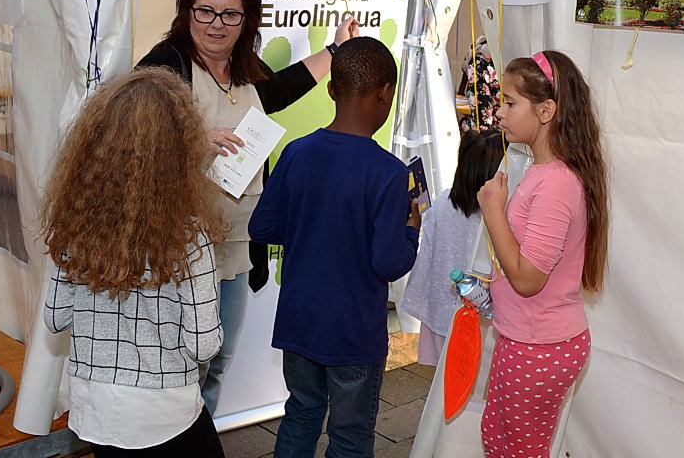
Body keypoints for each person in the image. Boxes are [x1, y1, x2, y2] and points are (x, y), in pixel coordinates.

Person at [136, 0, 359, 415]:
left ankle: (201, 436)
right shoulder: (168, 64)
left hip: (238, 244)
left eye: (230, 14)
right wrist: (193, 139)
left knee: (218, 358)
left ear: (246, 20)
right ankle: (172, 437)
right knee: (181, 361)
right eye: (206, 11)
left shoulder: (243, 69)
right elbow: (130, 132)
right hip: (184, 247)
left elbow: (281, 89)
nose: (217, 24)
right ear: (187, 12)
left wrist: (336, 50)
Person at [40, 69, 229, 457]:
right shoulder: (189, 237)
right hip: (164, 411)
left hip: (96, 410)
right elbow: (203, 344)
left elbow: (55, 318)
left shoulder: (75, 225)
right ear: (181, 148)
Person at [248, 36, 421, 457]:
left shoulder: (296, 152)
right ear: (386, 94)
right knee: (350, 435)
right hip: (353, 332)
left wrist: (311, 225)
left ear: (330, 90)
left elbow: (262, 226)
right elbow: (389, 262)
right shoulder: (390, 173)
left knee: (301, 414)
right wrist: (411, 230)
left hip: (300, 320)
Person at [476, 51, 609, 457]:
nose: (500, 112)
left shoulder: (556, 183)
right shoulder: (544, 173)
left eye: (510, 102)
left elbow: (528, 279)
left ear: (546, 111)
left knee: (517, 449)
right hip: (528, 338)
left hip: (539, 346)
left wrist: (493, 212)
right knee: (498, 439)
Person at [399, 128, 507, 366]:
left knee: (445, 379)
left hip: (441, 310)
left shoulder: (443, 203)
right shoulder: (502, 214)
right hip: (487, 320)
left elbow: (427, 257)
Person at [458, 35, 501, 132]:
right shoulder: (524, 51)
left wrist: (459, 118)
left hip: (498, 138)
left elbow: (481, 126)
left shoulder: (480, 62)